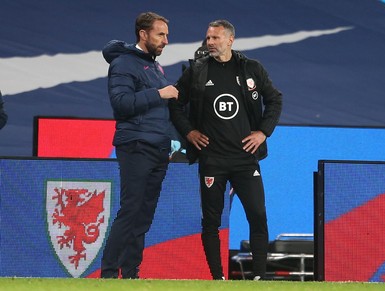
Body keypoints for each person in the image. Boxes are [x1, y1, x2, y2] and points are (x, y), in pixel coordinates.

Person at [169, 20, 282, 280]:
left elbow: (275, 99)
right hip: (212, 160)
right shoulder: (196, 71)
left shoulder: (251, 69)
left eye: (215, 38)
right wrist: (188, 132)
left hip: (245, 159)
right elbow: (175, 104)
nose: (210, 42)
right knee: (211, 222)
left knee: (258, 215)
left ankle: (261, 278)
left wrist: (263, 132)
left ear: (230, 40)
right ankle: (217, 279)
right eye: (208, 38)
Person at [100, 11, 178, 279]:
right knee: (131, 210)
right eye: (161, 34)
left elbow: (161, 113)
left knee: (144, 215)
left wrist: (170, 144)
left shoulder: (155, 66)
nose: (166, 40)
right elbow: (121, 105)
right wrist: (159, 93)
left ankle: (131, 274)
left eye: (167, 34)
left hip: (157, 148)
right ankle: (109, 274)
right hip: (135, 145)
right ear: (143, 34)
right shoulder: (123, 63)